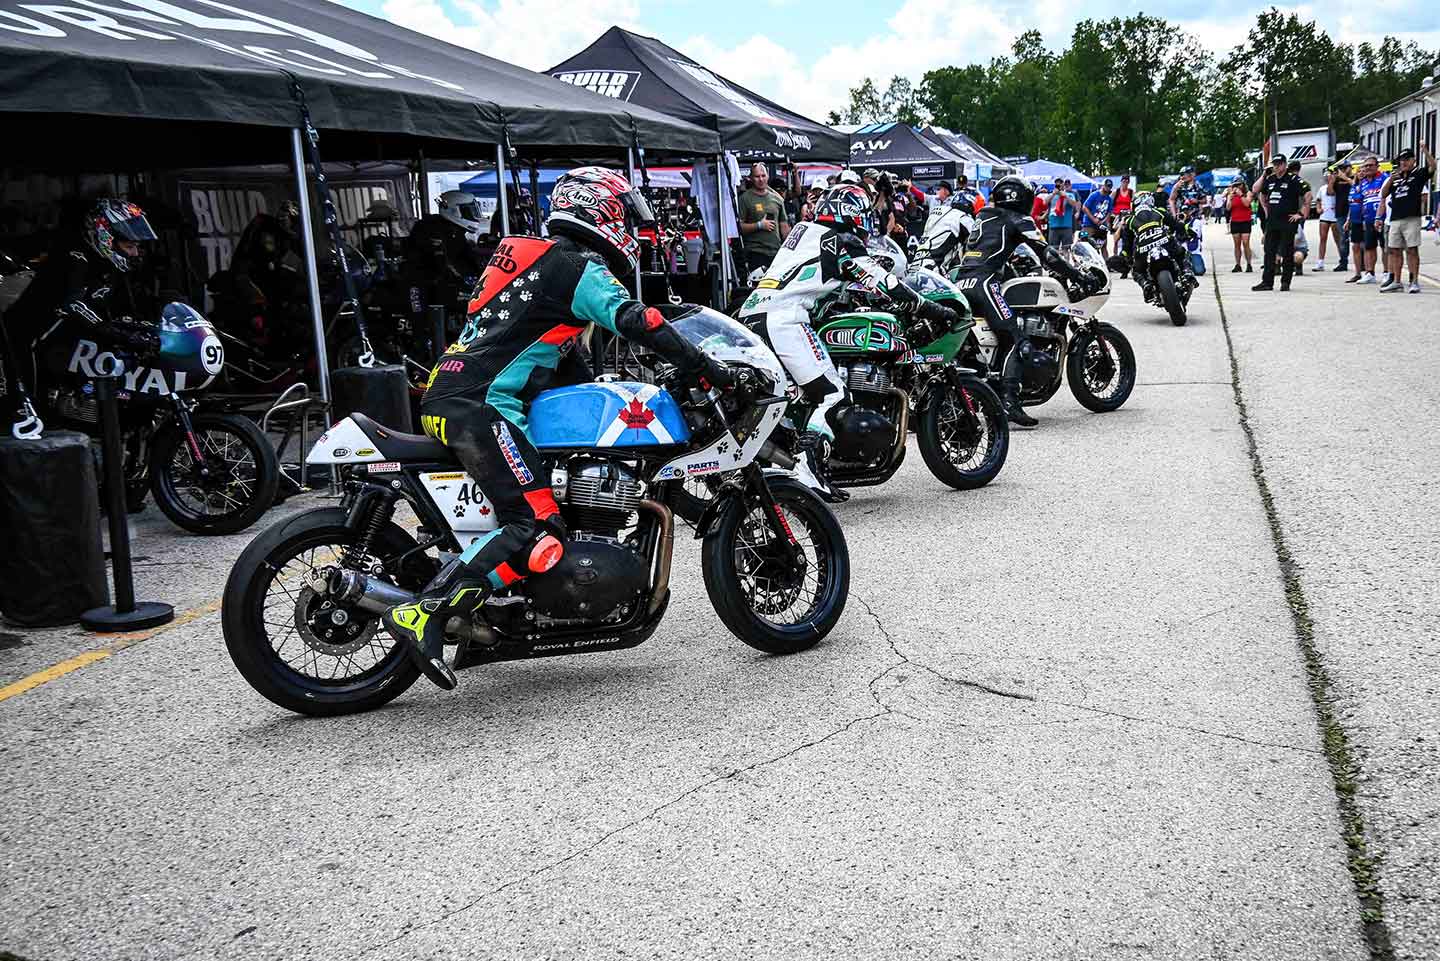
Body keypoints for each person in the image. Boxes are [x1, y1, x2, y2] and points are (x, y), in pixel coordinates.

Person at [387, 168, 734, 691]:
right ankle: (428, 612)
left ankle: (496, 604)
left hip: (448, 392)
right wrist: (709, 366)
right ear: (602, 212)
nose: (630, 230)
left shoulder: (524, 260)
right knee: (534, 525)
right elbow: (643, 322)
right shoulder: (577, 268)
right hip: (483, 406)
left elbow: (553, 352)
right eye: (622, 214)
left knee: (537, 505)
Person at [737, 183, 959, 499]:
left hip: (753, 313)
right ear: (853, 212)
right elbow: (886, 282)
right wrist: (930, 307)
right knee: (832, 394)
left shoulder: (804, 230)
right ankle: (806, 468)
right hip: (783, 319)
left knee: (805, 394)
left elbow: (810, 276)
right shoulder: (840, 241)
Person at [955, 175, 1102, 429]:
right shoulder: (1018, 218)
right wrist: (1079, 276)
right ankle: (1010, 401)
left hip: (961, 282)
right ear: (1022, 198)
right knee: (1016, 336)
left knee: (1002, 330)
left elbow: (995, 250)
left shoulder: (985, 215)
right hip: (984, 282)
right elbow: (1048, 254)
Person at [3, 199, 161, 425]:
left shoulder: (112, 268)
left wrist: (140, 330)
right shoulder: (74, 257)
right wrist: (118, 333)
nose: (135, 253)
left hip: (66, 339)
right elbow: (73, 303)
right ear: (106, 236)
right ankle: (23, 410)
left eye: (136, 246)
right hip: (29, 336)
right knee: (22, 345)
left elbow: (118, 312)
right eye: (129, 246)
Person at [1251, 154, 1311, 291]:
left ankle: (1285, 282)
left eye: (1279, 164)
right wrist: (1264, 175)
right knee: (1269, 252)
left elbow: (1307, 194)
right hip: (1272, 222)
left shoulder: (1293, 179)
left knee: (1287, 251)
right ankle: (1267, 282)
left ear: (1284, 164)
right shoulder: (1270, 179)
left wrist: (1301, 214)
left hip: (1288, 221)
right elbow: (1257, 191)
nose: (1276, 167)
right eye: (1274, 164)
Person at [1378, 143, 1433, 293]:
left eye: (1406, 159)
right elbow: (1383, 195)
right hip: (1395, 219)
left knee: (1412, 250)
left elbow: (1432, 167)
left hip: (1411, 218)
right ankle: (1396, 281)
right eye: (1401, 160)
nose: (1403, 162)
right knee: (1394, 250)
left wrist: (1425, 151)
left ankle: (1414, 281)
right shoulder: (1396, 177)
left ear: (1413, 160)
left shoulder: (1418, 173)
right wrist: (1390, 179)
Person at [1114, 191, 1194, 293]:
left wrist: (1126, 258)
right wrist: (1186, 231)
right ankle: (1186, 272)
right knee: (1182, 253)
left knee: (1137, 271)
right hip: (1165, 242)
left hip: (1143, 249)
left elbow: (1127, 245)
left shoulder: (1129, 220)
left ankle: (1145, 284)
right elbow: (1176, 225)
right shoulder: (1159, 211)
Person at [737, 162, 790, 275]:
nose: (761, 179)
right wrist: (759, 225)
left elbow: (784, 227)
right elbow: (738, 228)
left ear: (768, 177)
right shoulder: (745, 199)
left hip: (776, 253)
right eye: (757, 176)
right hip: (755, 253)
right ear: (751, 178)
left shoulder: (777, 198)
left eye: (763, 176)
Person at [1352, 156, 1388, 284]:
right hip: (1368, 220)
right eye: (1365, 166)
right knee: (1369, 247)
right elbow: (1361, 201)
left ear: (1377, 166)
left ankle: (1386, 273)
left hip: (1383, 219)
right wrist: (1362, 219)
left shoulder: (1384, 178)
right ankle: (1369, 273)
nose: (1368, 168)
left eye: (1370, 165)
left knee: (1385, 247)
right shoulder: (1363, 183)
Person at [1082, 179, 1115, 255]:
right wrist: (1093, 219)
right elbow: (1084, 207)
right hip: (1089, 224)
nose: (1108, 188)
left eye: (1109, 187)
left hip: (1101, 226)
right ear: (1103, 185)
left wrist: (1104, 221)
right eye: (1106, 186)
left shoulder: (1109, 199)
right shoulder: (1094, 195)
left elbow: (1109, 212)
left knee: (1103, 246)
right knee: (1086, 244)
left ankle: (1106, 264)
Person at [1315, 169, 1340, 270]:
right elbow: (1318, 200)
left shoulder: (1337, 187)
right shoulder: (1322, 188)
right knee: (1322, 238)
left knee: (1337, 239)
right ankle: (1320, 262)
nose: (1327, 177)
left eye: (1329, 175)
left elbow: (1331, 192)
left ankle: (1342, 259)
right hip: (1324, 216)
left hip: (1335, 216)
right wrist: (1318, 208)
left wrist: (1332, 181)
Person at [1331, 161, 1354, 273]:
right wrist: (1332, 180)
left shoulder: (1355, 177)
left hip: (1354, 211)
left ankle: (1363, 262)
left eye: (1345, 168)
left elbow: (1356, 185)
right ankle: (1343, 262)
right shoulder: (1338, 181)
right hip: (1340, 212)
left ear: (1350, 168)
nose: (1343, 170)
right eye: (1342, 168)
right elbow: (1330, 192)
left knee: (1357, 238)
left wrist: (1344, 177)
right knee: (1343, 238)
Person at [1227, 182, 1254, 272]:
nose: (1237, 187)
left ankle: (1249, 264)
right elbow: (1228, 208)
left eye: (1239, 185)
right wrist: (1230, 199)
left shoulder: (1248, 193)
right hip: (1235, 221)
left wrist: (1241, 195)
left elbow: (1247, 204)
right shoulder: (1231, 195)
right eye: (1235, 185)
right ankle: (1238, 264)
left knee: (1246, 243)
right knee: (1237, 244)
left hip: (1245, 221)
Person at [1046, 178, 1081, 249]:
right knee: (1053, 249)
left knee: (1066, 248)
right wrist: (1053, 194)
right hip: (1053, 226)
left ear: (1063, 185)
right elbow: (1045, 202)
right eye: (1057, 184)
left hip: (1066, 225)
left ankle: (1066, 260)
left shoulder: (1070, 194)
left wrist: (1065, 196)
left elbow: (1074, 204)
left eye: (1060, 183)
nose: (1059, 185)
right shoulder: (1051, 195)